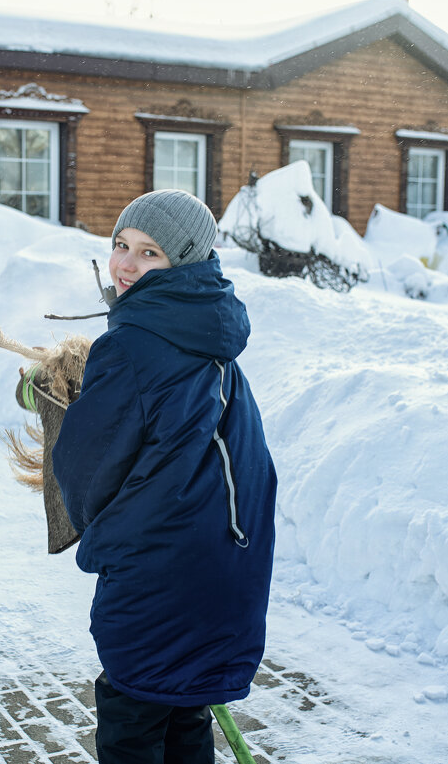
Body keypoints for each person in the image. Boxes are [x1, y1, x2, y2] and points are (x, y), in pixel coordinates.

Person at [50, 189, 277, 764]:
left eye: (149, 253)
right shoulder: (214, 336)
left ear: (184, 263)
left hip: (156, 578)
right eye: (121, 245)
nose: (125, 264)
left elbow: (85, 471)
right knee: (183, 715)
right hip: (222, 570)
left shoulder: (131, 345)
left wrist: (104, 535)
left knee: (132, 724)